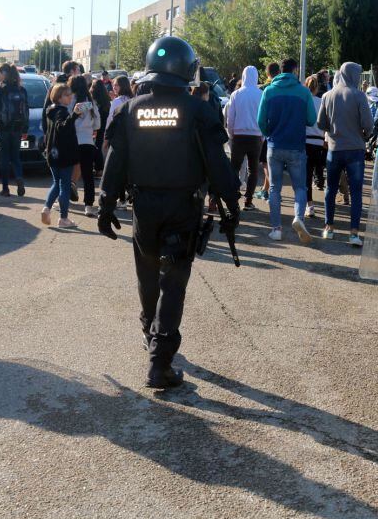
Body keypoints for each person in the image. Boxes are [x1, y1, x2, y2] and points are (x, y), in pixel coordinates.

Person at [97, 36, 240, 389]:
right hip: (182, 207)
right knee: (173, 283)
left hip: (143, 207)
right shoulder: (198, 110)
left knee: (148, 275)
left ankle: (150, 332)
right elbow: (218, 165)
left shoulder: (131, 109)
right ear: (187, 69)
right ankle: (159, 362)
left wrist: (105, 204)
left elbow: (115, 163)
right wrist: (232, 204)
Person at [257, 58, 317, 242]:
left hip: (274, 146)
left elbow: (260, 121)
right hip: (296, 147)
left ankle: (276, 229)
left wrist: (270, 134)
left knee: (275, 188)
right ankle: (298, 217)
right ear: (295, 70)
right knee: (300, 187)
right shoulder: (303, 92)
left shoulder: (268, 90)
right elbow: (311, 120)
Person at [318, 62, 374, 246]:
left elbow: (321, 123)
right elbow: (368, 125)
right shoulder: (359, 95)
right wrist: (364, 135)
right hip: (355, 149)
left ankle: (329, 227)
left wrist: (333, 131)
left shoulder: (327, 95)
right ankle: (354, 233)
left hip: (334, 149)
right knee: (356, 192)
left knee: (330, 189)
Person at [226, 66, 264, 211]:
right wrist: (263, 136)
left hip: (238, 136)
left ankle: (233, 198)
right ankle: (248, 201)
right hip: (255, 137)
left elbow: (231, 118)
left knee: (234, 169)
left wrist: (231, 134)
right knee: (253, 170)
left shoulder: (236, 94)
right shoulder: (261, 94)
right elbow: (264, 118)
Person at [41, 83, 79, 228]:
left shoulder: (50, 110)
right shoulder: (62, 112)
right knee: (65, 185)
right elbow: (62, 128)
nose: (70, 97)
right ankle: (63, 218)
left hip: (52, 152)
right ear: (58, 97)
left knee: (56, 183)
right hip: (64, 153)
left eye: (70, 94)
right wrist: (75, 115)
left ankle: (46, 208)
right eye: (66, 95)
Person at [0, 63, 29, 198]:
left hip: (2, 127)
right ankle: (19, 177)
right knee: (16, 156)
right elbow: (26, 111)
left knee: (4, 156)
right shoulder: (21, 89)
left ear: (4, 73)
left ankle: (5, 188)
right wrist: (25, 128)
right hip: (17, 128)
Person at [69, 75, 101, 217]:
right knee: (88, 175)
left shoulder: (70, 101)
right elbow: (98, 124)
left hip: (72, 141)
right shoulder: (91, 103)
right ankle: (88, 205)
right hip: (87, 141)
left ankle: (64, 197)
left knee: (67, 172)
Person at [253, 62, 282, 201]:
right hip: (281, 130)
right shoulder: (282, 87)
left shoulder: (264, 88)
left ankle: (272, 191)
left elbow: (260, 114)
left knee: (266, 163)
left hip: (267, 131)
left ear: (267, 73)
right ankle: (265, 189)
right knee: (272, 164)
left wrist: (263, 132)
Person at [303, 75, 327, 220]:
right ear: (317, 87)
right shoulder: (322, 102)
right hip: (320, 143)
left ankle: (309, 205)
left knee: (306, 177)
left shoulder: (303, 102)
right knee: (319, 174)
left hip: (305, 142)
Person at [91, 78, 111, 172]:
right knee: (99, 146)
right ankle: (99, 169)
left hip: (96, 126)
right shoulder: (106, 100)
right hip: (104, 126)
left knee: (96, 146)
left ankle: (98, 168)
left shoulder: (94, 102)